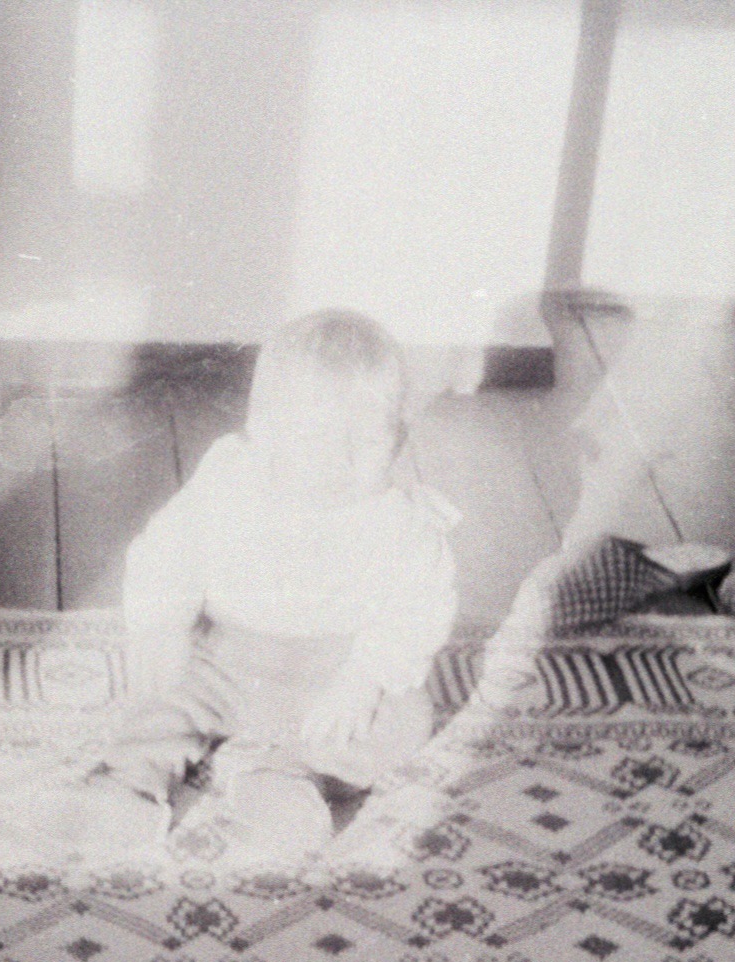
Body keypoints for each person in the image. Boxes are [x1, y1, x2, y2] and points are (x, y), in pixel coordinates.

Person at [86, 309, 459, 863]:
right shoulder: (229, 482)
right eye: (319, 438)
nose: (341, 461)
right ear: (263, 427)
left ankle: (295, 783)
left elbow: (419, 608)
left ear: (401, 439)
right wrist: (162, 627)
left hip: (335, 677)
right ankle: (130, 786)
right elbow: (168, 552)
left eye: (368, 441)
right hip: (226, 659)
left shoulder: (403, 522)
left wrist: (365, 676)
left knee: (405, 715)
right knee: (164, 695)